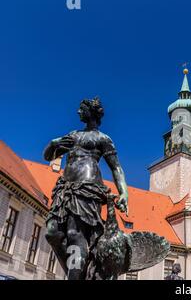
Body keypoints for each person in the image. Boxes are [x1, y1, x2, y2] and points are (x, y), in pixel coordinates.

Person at [43, 97, 129, 280]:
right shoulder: (72, 135)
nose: (78, 112)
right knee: (52, 232)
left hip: (88, 189)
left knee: (76, 235)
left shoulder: (102, 138)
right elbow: (48, 156)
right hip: (65, 189)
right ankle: (76, 271)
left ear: (92, 111)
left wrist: (124, 193)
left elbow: (116, 167)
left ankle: (75, 275)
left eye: (82, 108)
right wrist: (53, 143)